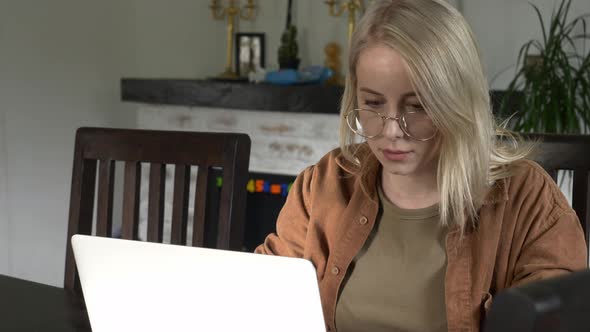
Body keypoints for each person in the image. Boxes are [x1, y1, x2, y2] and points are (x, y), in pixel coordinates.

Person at [255, 0, 588, 331]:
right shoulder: (324, 184)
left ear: (456, 101)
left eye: (417, 107)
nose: (391, 130)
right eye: (372, 103)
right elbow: (261, 297)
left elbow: (557, 319)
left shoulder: (527, 199)